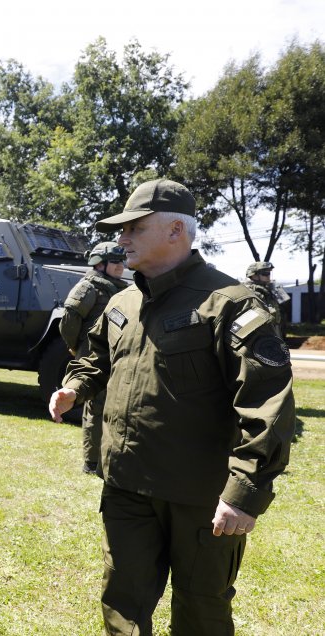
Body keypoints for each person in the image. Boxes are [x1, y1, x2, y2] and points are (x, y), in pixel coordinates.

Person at [48, 178, 295, 635]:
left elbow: (267, 404)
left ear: (176, 230)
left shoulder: (228, 303)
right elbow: (95, 357)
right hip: (126, 485)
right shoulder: (122, 301)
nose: (122, 239)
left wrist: (244, 493)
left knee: (201, 611)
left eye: (135, 228)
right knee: (122, 605)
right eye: (122, 230)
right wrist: (75, 387)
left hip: (199, 496)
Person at [59, 241, 129, 476]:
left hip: (115, 355)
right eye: (115, 261)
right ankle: (91, 461)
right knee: (95, 407)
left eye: (122, 261)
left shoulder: (118, 289)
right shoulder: (88, 287)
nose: (121, 266)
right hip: (93, 355)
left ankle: (108, 455)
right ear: (99, 264)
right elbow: (68, 321)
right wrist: (75, 347)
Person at [243, 261, 287, 336]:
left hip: (273, 327)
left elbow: (282, 303)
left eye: (269, 273)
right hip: (260, 330)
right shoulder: (251, 291)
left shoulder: (268, 288)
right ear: (254, 276)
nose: (268, 276)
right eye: (265, 274)